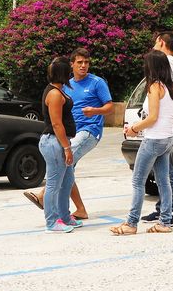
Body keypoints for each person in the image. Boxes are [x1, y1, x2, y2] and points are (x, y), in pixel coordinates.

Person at [24, 48, 113, 218]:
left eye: (86, 62)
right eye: (79, 62)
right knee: (67, 169)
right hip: (70, 133)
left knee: (65, 164)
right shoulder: (66, 85)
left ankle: (45, 197)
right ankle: (79, 210)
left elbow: (110, 107)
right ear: (71, 65)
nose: (83, 66)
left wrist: (95, 111)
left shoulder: (97, 82)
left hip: (89, 131)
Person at [110, 50, 173, 236]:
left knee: (138, 181)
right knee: (164, 182)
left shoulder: (154, 87)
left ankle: (131, 223)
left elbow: (153, 117)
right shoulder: (170, 87)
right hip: (168, 138)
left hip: (154, 139)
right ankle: (164, 222)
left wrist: (134, 129)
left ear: (152, 67)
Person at [142, 33, 173, 226]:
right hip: (161, 126)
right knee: (162, 171)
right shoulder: (166, 62)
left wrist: (158, 92)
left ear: (161, 41)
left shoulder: (169, 61)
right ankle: (164, 208)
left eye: (155, 41)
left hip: (166, 126)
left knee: (167, 172)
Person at [39, 57, 76, 233]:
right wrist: (66, 148)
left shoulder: (59, 90)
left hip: (60, 141)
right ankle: (51, 222)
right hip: (54, 142)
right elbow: (56, 124)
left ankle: (65, 217)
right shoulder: (54, 94)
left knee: (67, 181)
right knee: (54, 184)